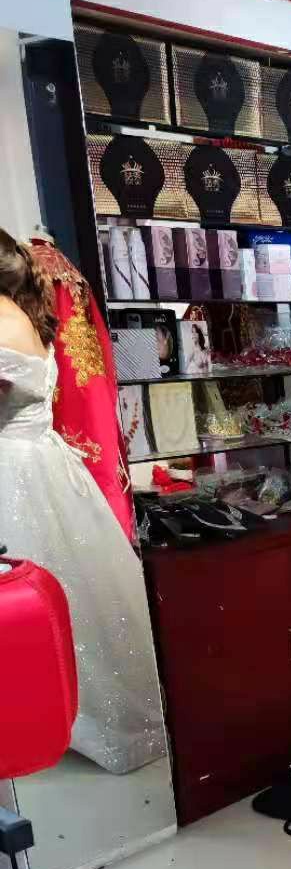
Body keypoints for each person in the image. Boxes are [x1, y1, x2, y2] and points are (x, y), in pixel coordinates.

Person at [0, 230, 166, 775]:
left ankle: (44, 714)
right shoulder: (24, 312)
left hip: (15, 467)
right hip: (41, 460)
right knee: (77, 590)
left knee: (43, 597)